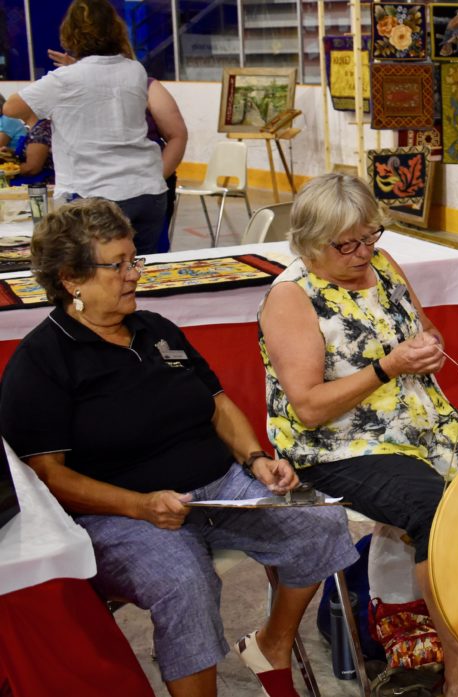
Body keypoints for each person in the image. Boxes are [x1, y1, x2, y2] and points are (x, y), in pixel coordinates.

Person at [0, 198, 359, 697]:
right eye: (118, 265)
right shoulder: (41, 362)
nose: (133, 275)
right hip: (118, 514)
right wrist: (140, 505)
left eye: (134, 259)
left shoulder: (155, 330)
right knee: (185, 582)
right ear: (71, 279)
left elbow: (216, 405)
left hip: (219, 487)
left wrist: (255, 459)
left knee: (319, 521)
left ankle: (272, 645)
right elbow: (48, 477)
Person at [258, 173, 458, 696]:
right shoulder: (292, 297)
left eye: (369, 236)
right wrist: (387, 367)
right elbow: (307, 407)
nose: (361, 251)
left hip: (423, 426)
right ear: (309, 243)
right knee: (431, 507)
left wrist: (427, 344)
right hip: (341, 443)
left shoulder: (380, 263)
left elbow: (422, 328)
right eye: (346, 243)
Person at [2, 0, 167, 254]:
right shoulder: (135, 70)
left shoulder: (64, 80)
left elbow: (11, 107)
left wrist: (63, 79)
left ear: (70, 34)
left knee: (93, 278)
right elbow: (99, 85)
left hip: (94, 195)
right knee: (146, 275)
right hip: (146, 190)